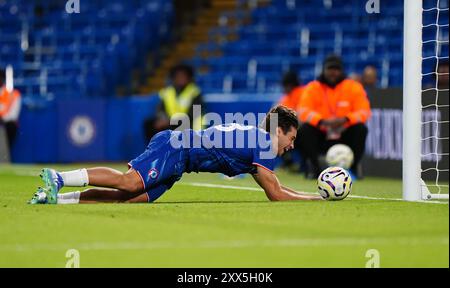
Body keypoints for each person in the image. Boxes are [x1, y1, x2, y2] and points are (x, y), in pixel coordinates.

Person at [29, 105, 323, 204]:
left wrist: (310, 194)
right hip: (176, 148)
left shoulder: (258, 138)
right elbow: (275, 194)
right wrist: (316, 198)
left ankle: (56, 199)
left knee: (130, 198)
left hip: (180, 162)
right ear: (279, 130)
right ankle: (59, 178)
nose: (292, 146)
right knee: (130, 182)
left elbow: (277, 187)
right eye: (292, 138)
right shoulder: (264, 142)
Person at [297, 55, 371, 178]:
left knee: (361, 129)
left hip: (344, 131)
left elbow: (364, 111)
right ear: (324, 70)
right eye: (330, 69)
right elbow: (303, 111)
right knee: (304, 130)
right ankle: (315, 169)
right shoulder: (313, 88)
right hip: (322, 132)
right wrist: (321, 122)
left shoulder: (353, 87)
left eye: (336, 69)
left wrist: (345, 120)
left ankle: (352, 168)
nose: (333, 72)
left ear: (341, 70)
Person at [143, 64, 203, 142]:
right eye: (177, 76)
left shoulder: (195, 92)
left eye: (183, 76)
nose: (180, 78)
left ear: (189, 77)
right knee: (149, 123)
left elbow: (194, 114)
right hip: (170, 123)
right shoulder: (167, 92)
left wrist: (169, 121)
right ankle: (154, 149)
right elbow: (160, 109)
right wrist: (163, 118)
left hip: (186, 123)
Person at [0, 68, 21, 153]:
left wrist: (2, 119)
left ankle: (5, 156)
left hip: (7, 124)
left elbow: (13, 114)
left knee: (11, 126)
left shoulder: (13, 94)